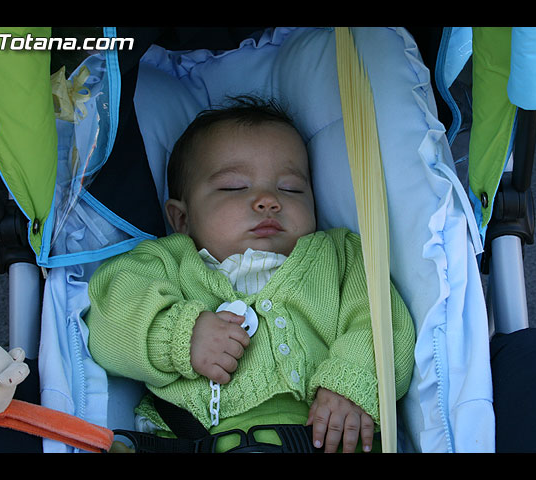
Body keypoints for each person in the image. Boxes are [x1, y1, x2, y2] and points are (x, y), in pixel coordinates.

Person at [85, 95, 416, 453]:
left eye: (290, 188)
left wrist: (352, 381)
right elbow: (107, 316)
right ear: (181, 218)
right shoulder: (167, 263)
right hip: (194, 439)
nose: (267, 201)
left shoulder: (338, 256)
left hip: (324, 436)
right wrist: (180, 334)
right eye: (234, 187)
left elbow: (383, 320)